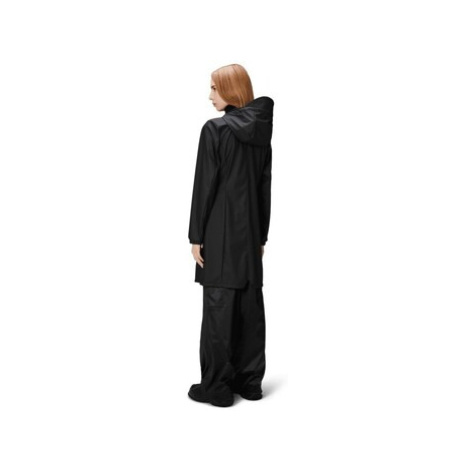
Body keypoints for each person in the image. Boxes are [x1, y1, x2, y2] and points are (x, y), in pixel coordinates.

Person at [187, 64, 274, 407]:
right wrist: (261, 237)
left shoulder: (215, 129)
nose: (210, 95)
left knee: (219, 311)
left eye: (214, 88)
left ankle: (218, 388)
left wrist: (196, 235)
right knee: (249, 310)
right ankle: (249, 383)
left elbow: (204, 186)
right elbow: (264, 187)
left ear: (231, 90)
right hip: (250, 235)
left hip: (219, 235)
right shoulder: (262, 133)